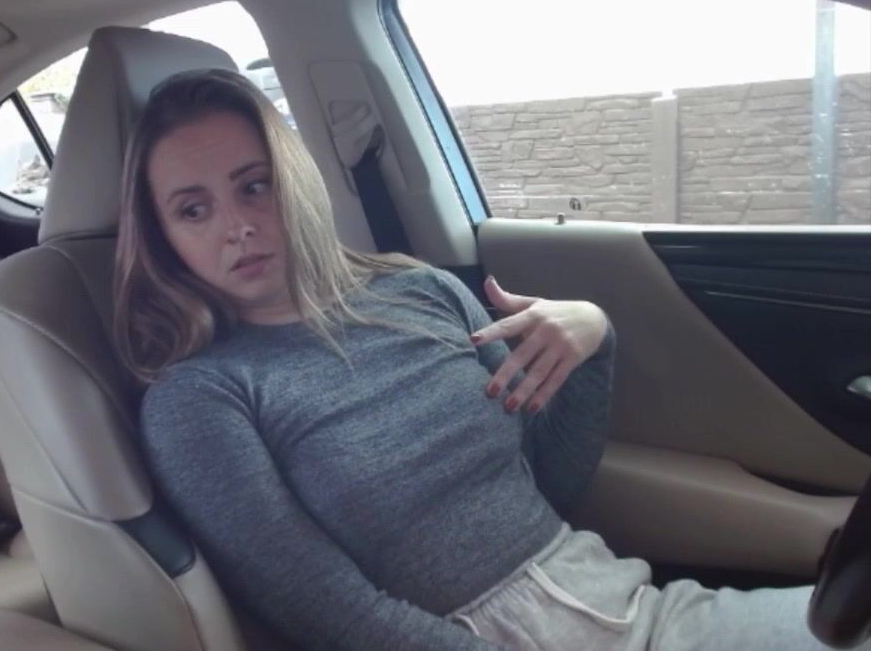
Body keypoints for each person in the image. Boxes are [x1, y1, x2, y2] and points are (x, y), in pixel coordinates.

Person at [113, 68, 863, 651]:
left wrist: (594, 340)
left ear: (296, 185)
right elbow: (326, 611)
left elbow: (547, 488)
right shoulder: (201, 399)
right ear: (163, 236)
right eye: (193, 209)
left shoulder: (418, 290)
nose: (237, 226)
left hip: (626, 602)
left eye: (255, 187)